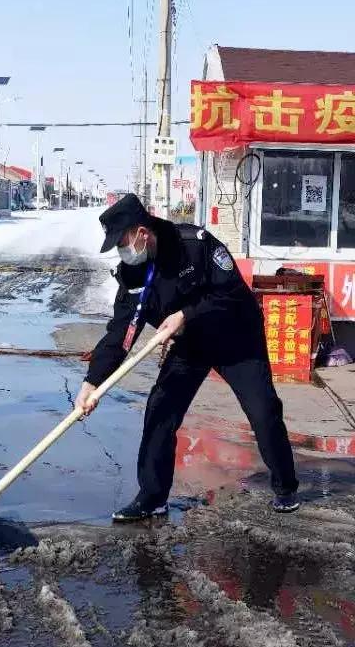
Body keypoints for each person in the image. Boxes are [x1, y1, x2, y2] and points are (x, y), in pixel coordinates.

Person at [75, 194, 299, 522]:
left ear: (141, 232)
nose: (122, 251)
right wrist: (92, 382)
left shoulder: (194, 245)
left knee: (263, 411)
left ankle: (285, 486)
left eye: (122, 242)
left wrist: (185, 315)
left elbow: (232, 294)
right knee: (160, 411)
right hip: (190, 345)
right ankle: (152, 498)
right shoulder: (134, 274)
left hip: (236, 338)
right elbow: (120, 332)